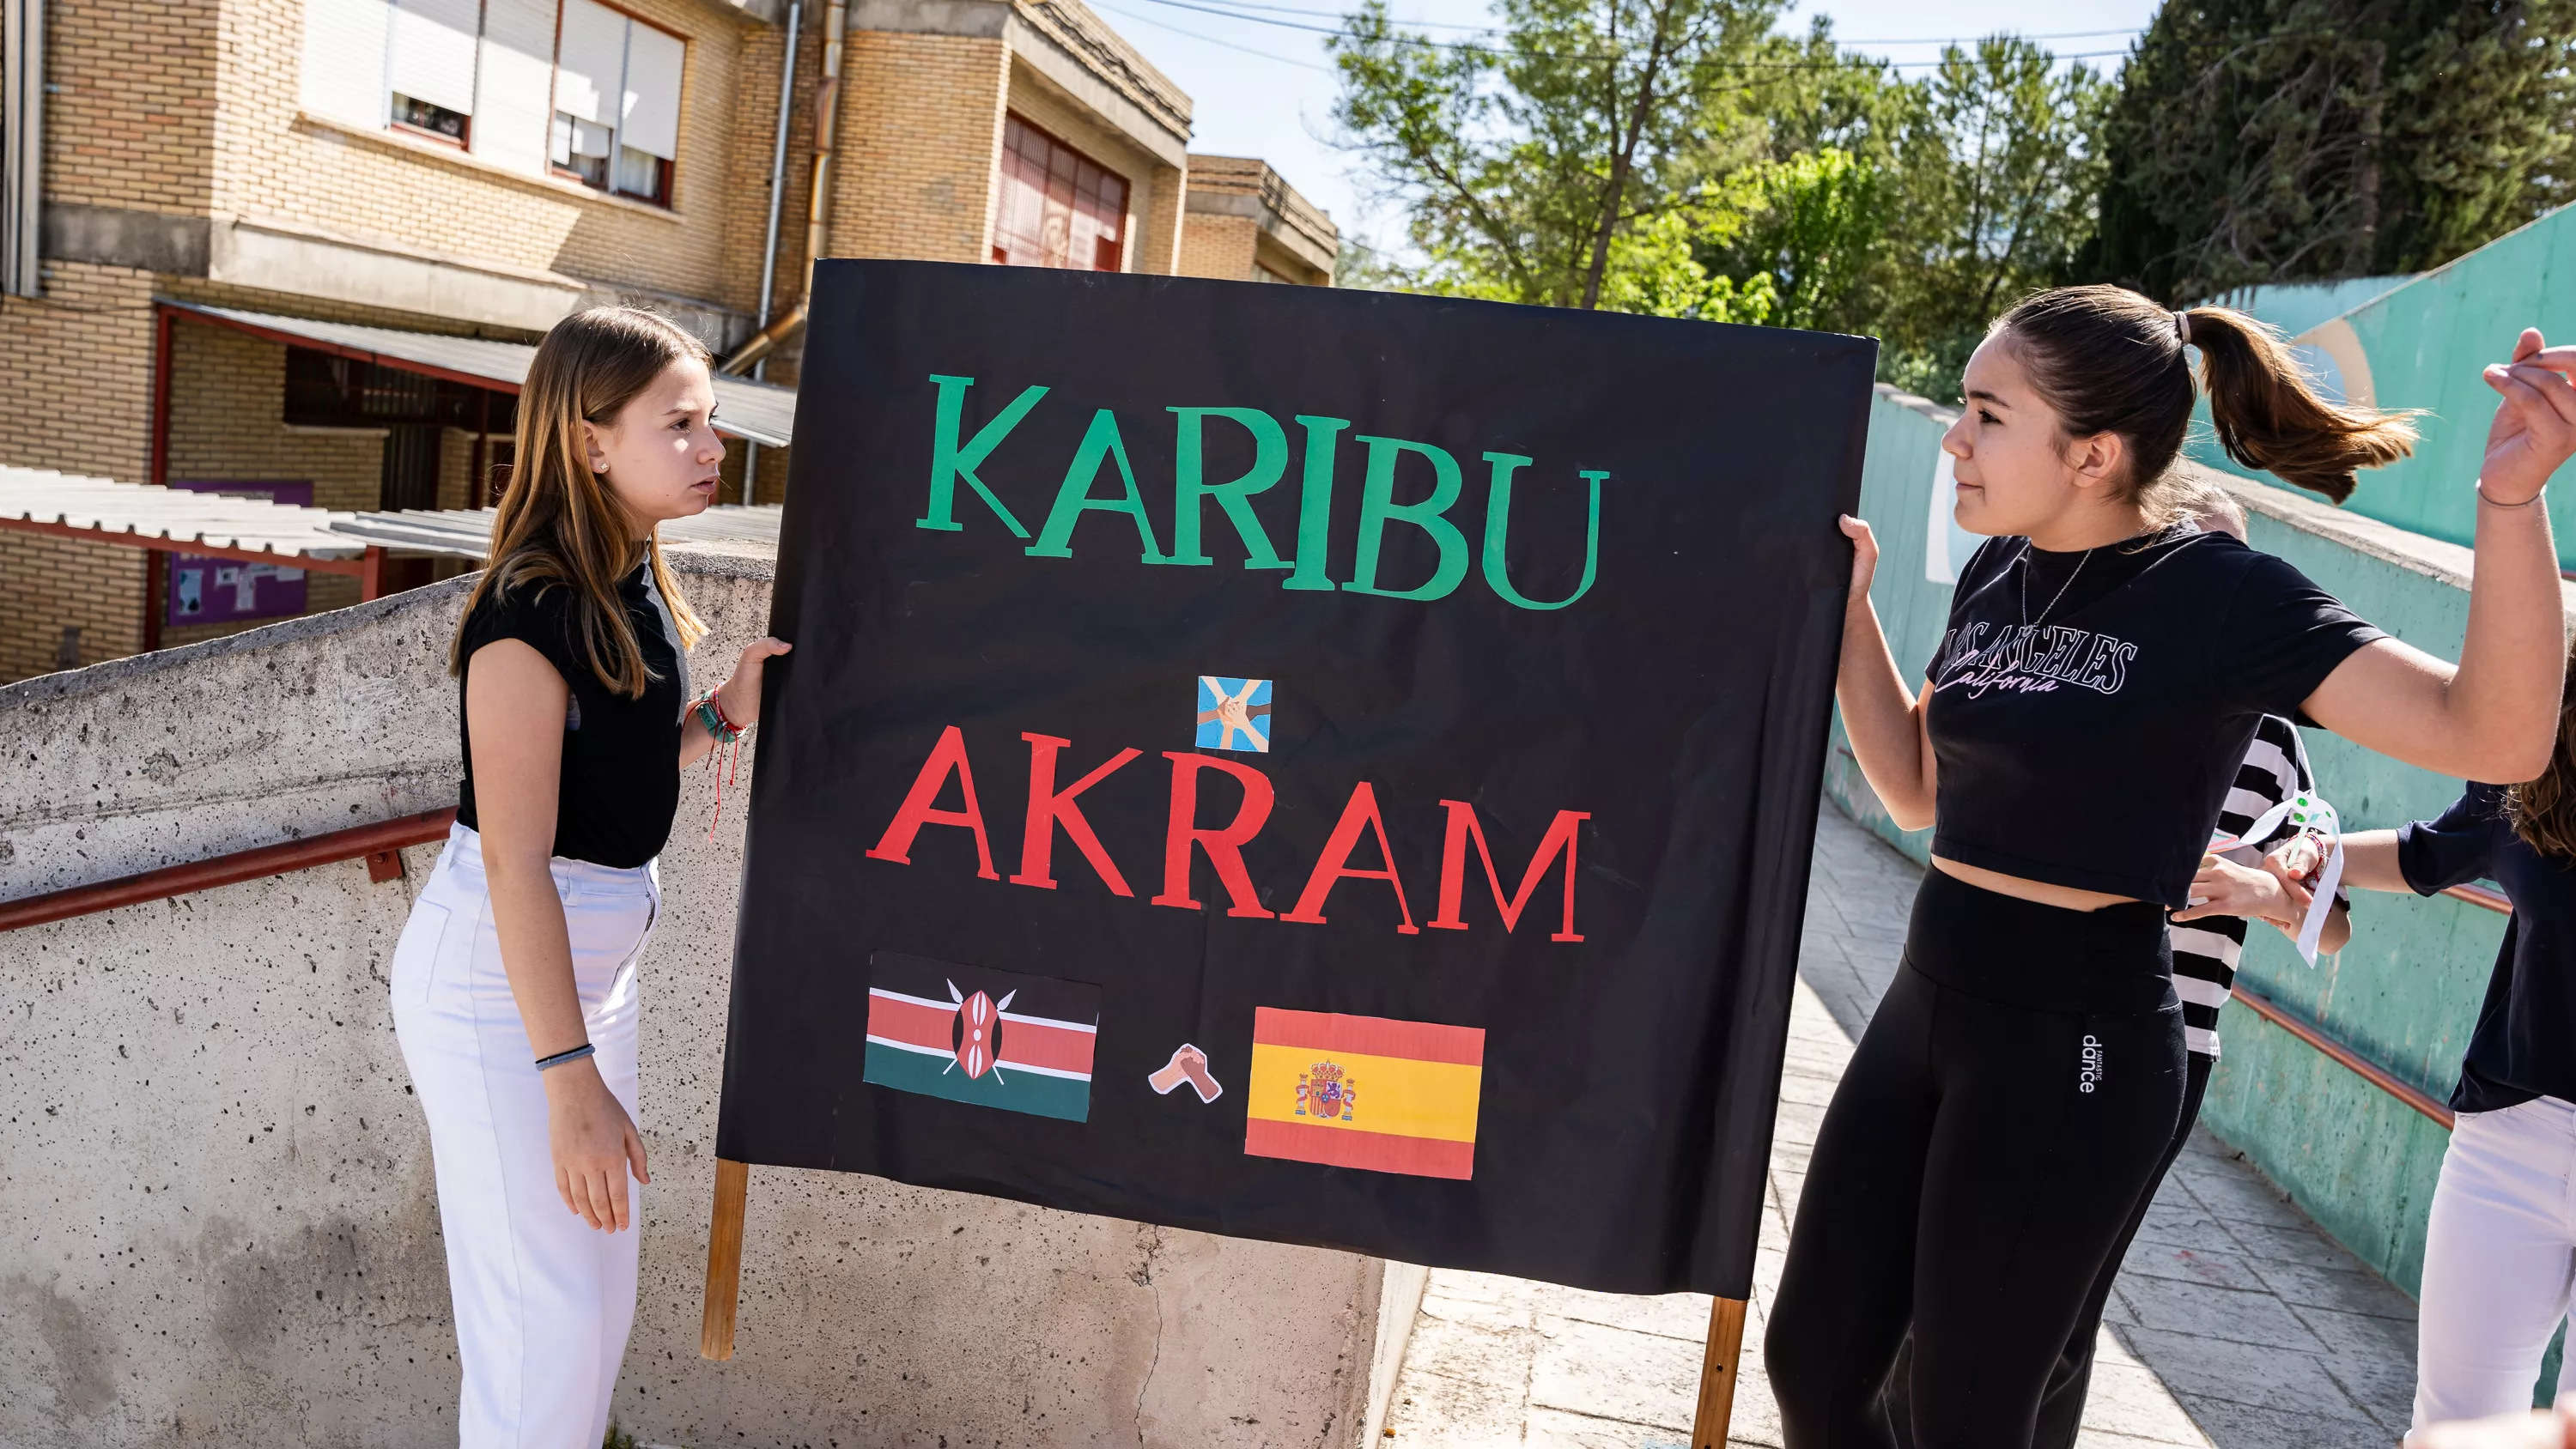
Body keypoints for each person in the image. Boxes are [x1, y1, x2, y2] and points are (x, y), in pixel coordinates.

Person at [1768, 284, 2573, 1448]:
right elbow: (1917, 790)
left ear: (2092, 454)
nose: (1956, 437)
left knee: (1966, 1410)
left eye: (1987, 415)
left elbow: (2493, 735)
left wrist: (2511, 501)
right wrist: (1850, 618)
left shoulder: (2219, 596)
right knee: (1816, 1364)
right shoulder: (2007, 568)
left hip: (2076, 1037)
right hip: (1927, 996)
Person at [1881, 482, 2355, 1449]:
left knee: (2056, 1311)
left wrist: (2261, 890)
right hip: (2028, 1008)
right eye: (2191, 558)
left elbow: (2332, 915)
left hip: (2161, 1042)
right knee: (1934, 1292)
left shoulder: (2279, 748)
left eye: (2236, 565)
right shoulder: (2083, 694)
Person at [387, 306, 790, 1444]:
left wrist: (720, 715)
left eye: (711, 423)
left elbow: (606, 776)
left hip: (582, 988)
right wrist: (568, 1085)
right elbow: (516, 861)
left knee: (594, 1304)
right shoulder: (527, 619)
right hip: (501, 999)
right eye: (682, 425)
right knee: (542, 1333)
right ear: (590, 439)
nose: (713, 450)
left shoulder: (633, 585)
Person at [2332, 634, 2576, 1428]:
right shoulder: (2543, 755)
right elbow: (2426, 854)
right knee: (2452, 1432)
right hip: (2513, 1141)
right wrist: (2292, 863)